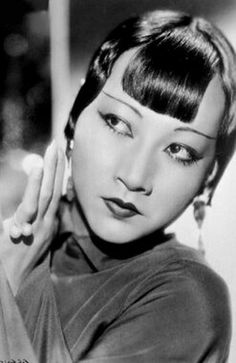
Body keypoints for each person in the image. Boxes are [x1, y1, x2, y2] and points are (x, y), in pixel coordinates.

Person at [0, 9, 236, 363]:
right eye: (118, 123)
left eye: (179, 150)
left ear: (209, 175)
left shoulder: (186, 300)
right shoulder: (14, 218)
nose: (135, 177)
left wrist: (10, 281)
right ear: (77, 115)